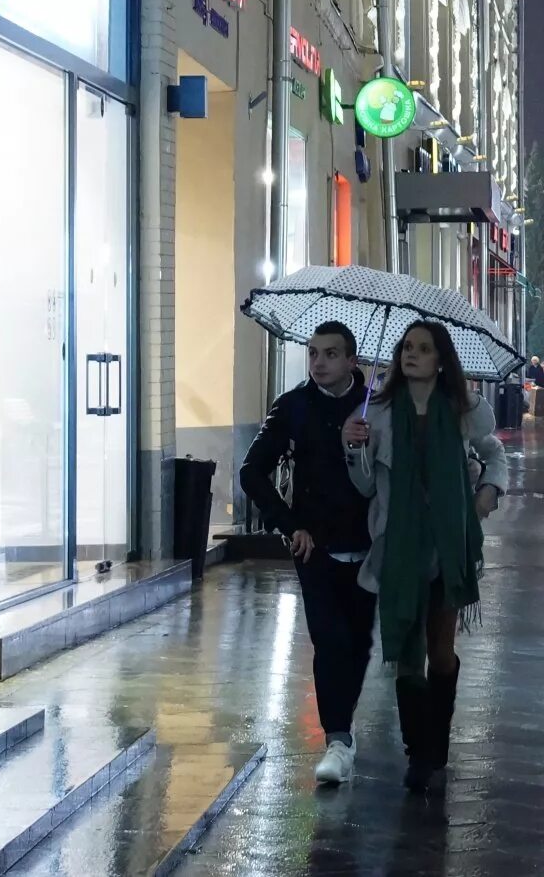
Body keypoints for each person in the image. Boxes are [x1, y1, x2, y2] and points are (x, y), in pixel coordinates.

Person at [343, 320, 507, 793]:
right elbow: (366, 485)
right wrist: (352, 449)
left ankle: (438, 744)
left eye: (422, 349)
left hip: (447, 548)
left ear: (440, 359)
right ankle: (419, 753)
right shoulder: (375, 414)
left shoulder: (462, 410)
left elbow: (493, 453)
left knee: (441, 652)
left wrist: (488, 491)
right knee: (408, 653)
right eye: (406, 348)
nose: (411, 355)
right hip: (398, 550)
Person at [239, 322, 375, 785]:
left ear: (352, 360)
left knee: (358, 643)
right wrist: (289, 523)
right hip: (313, 544)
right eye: (312, 353)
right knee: (329, 639)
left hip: (370, 544)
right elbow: (251, 471)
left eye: (330, 354)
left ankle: (344, 729)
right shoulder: (293, 406)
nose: (318, 363)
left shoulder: (376, 408)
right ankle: (337, 739)